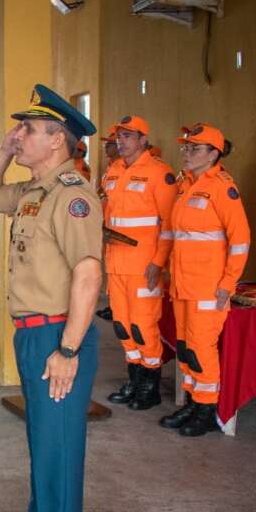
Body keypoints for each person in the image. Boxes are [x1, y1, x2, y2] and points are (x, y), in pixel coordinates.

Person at [0, 85, 102, 512]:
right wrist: (3, 153)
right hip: (32, 334)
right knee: (42, 439)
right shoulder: (33, 193)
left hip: (57, 336)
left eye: (29, 131)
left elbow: (88, 275)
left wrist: (68, 349)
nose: (19, 136)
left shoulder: (72, 198)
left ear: (57, 141)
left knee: (60, 443)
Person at [157, 123, 251, 437]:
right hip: (183, 284)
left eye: (194, 148)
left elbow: (240, 242)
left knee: (201, 348)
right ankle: (193, 401)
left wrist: (228, 285)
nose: (186, 153)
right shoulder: (186, 186)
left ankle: (207, 408)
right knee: (185, 348)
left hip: (208, 287)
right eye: (185, 147)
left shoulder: (222, 188)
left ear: (214, 153)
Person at [98, 116, 177, 410]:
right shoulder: (114, 171)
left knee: (144, 326)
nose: (122, 140)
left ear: (144, 139)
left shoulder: (160, 173)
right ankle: (134, 377)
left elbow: (169, 225)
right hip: (116, 263)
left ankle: (149, 386)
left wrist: (158, 262)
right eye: (119, 136)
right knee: (122, 325)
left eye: (128, 136)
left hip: (145, 265)